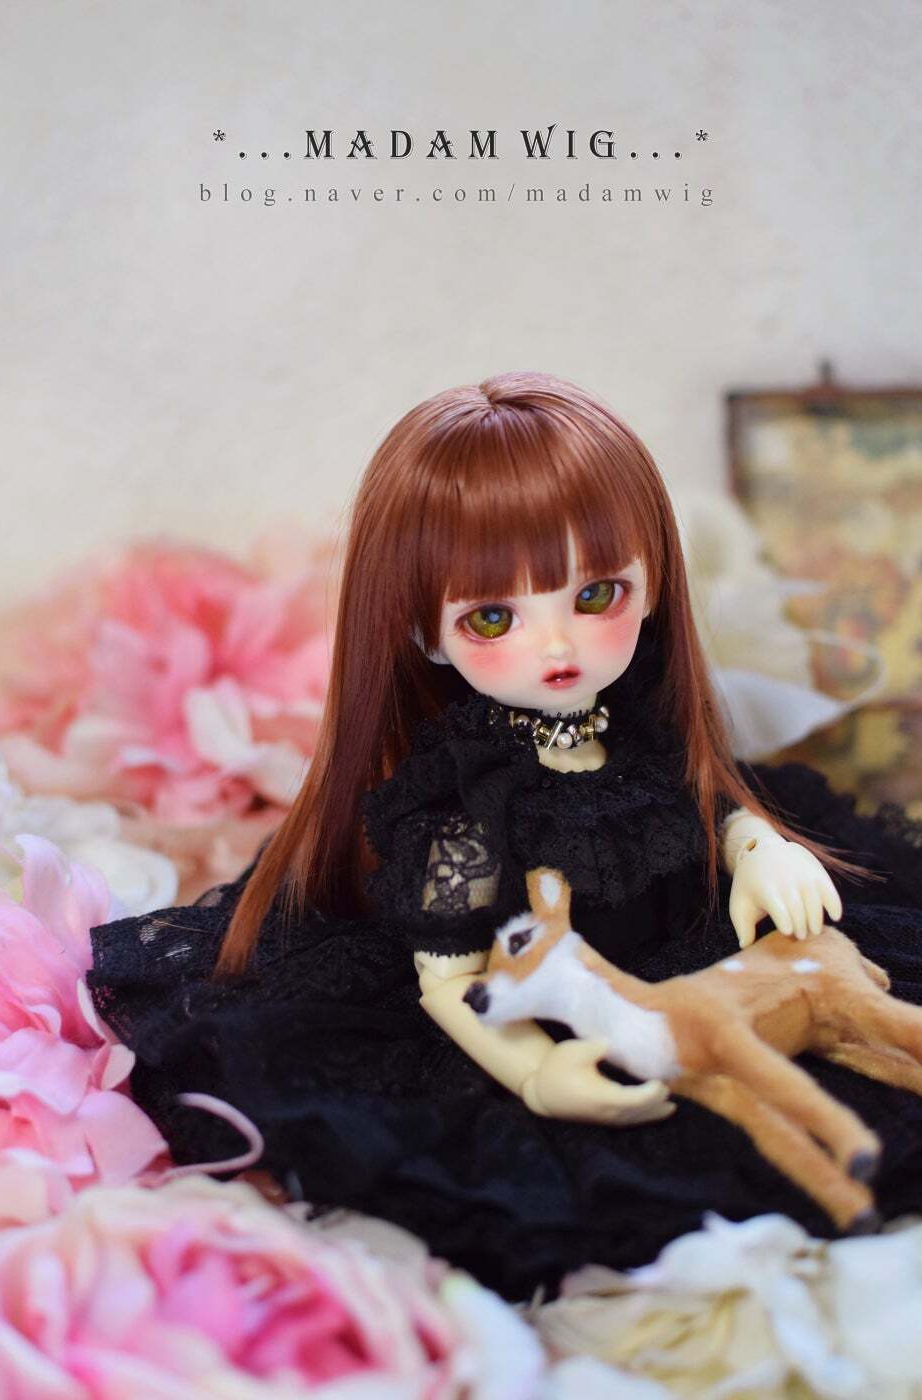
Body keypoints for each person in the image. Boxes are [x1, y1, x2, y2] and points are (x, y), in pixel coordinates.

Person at [87, 371, 922, 1303]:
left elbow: (693, 796)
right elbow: (451, 979)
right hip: (553, 1011)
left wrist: (757, 846)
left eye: (597, 594)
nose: (556, 646)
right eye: (493, 617)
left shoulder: (637, 731)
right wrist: (536, 1073)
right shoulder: (465, 814)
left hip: (701, 956)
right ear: (425, 634)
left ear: (653, 584)